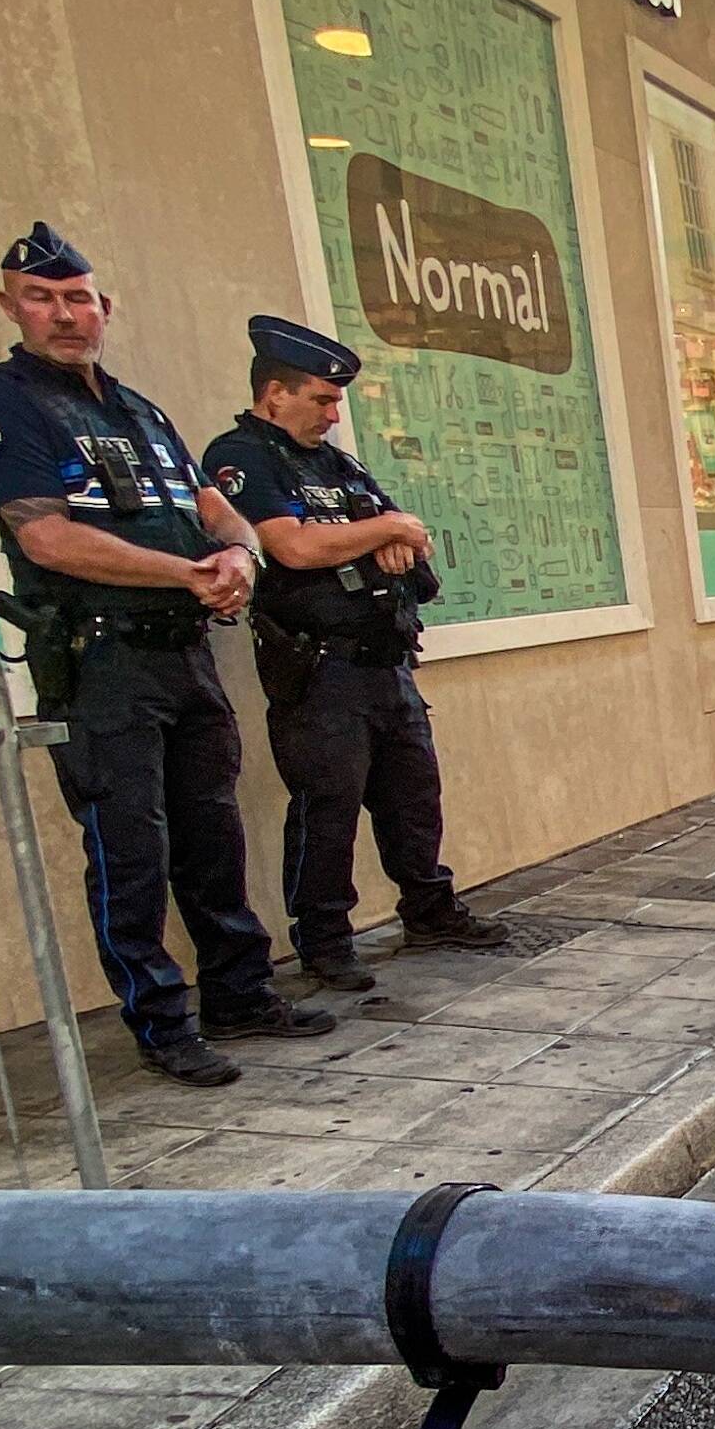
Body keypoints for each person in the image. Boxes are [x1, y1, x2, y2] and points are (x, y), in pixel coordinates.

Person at [0, 224, 331, 1088]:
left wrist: (239, 555)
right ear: (11, 306)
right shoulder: (3, 401)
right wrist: (189, 573)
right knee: (128, 849)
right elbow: (47, 538)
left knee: (212, 833)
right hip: (103, 663)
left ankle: (238, 992)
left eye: (78, 297)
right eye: (43, 298)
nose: (64, 314)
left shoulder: (136, 407)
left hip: (183, 655)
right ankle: (161, 1021)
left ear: (103, 308)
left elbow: (213, 508)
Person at [204, 315, 509, 992]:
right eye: (320, 397)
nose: (332, 411)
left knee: (412, 796)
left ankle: (428, 908)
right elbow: (292, 546)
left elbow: (414, 536)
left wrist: (388, 532)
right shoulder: (242, 456)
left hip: (384, 659)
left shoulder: (336, 463)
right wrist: (383, 530)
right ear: (274, 392)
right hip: (320, 670)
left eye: (335, 399)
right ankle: (324, 939)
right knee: (328, 807)